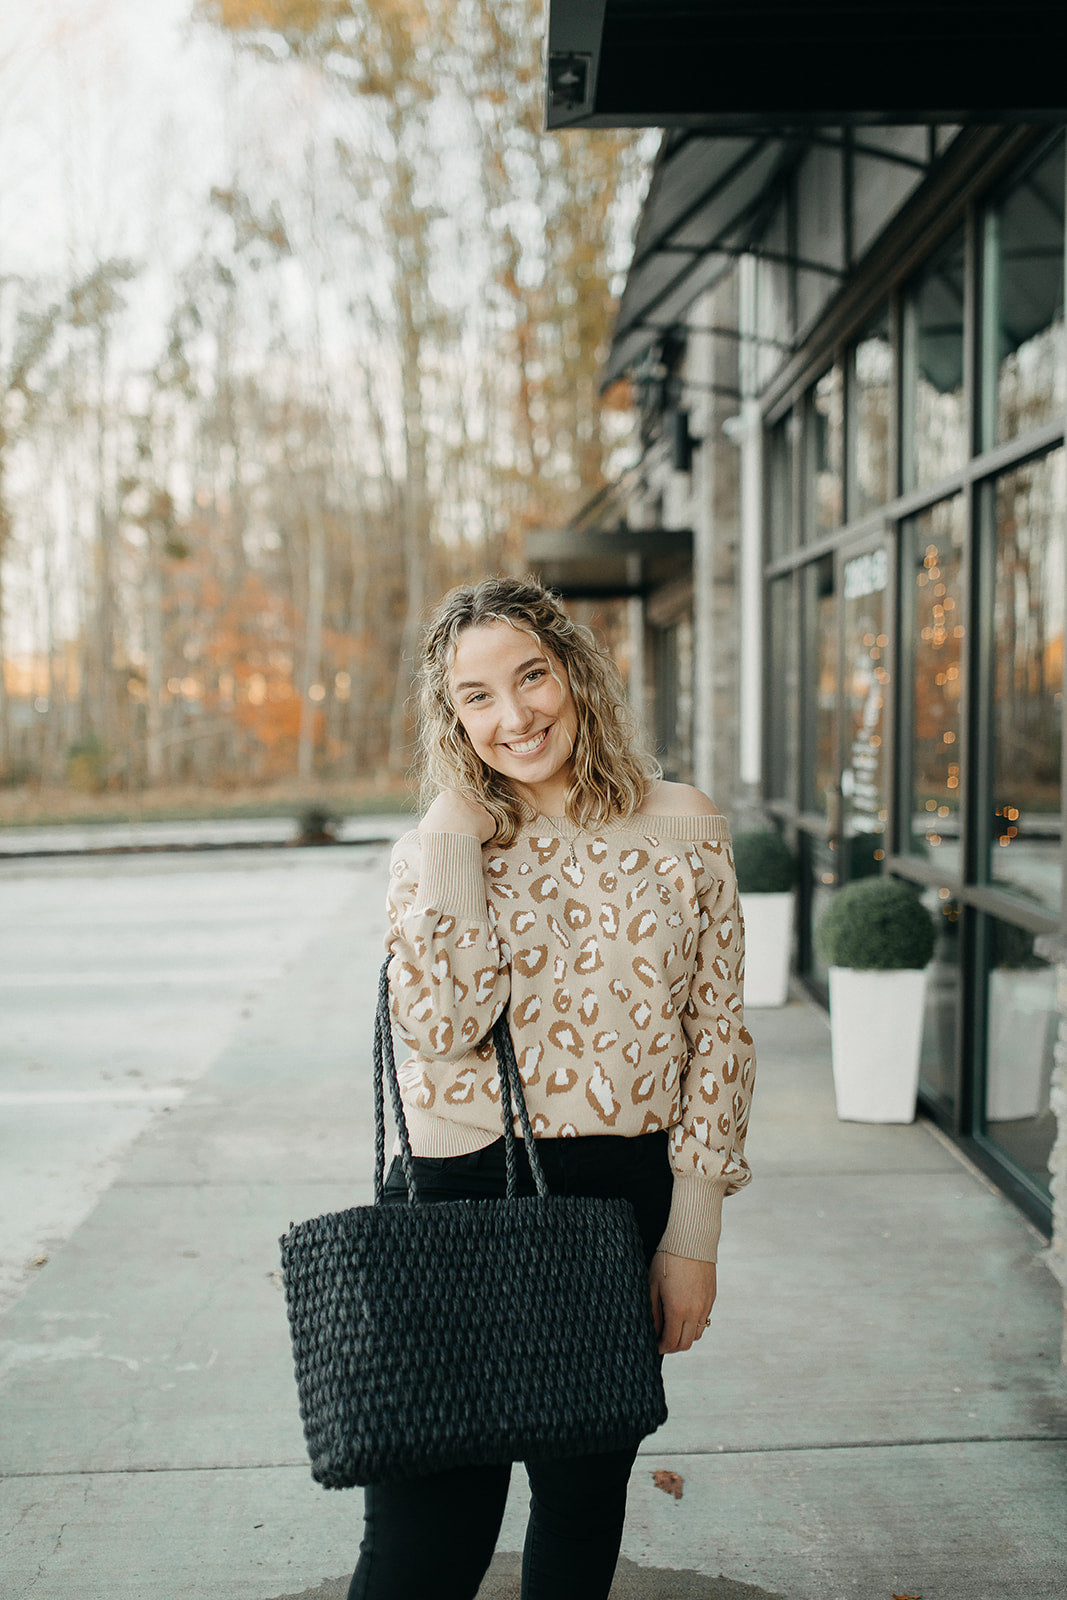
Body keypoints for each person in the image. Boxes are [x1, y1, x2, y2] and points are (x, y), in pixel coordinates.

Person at [348, 575, 755, 1600]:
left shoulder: (681, 824)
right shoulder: (437, 849)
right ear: (450, 716)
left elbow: (715, 1035)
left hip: (621, 1199)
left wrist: (691, 1235)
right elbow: (437, 1027)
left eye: (529, 676)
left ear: (573, 672)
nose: (514, 714)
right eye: (475, 696)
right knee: (425, 1536)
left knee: (577, 1512)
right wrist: (450, 827)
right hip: (457, 1198)